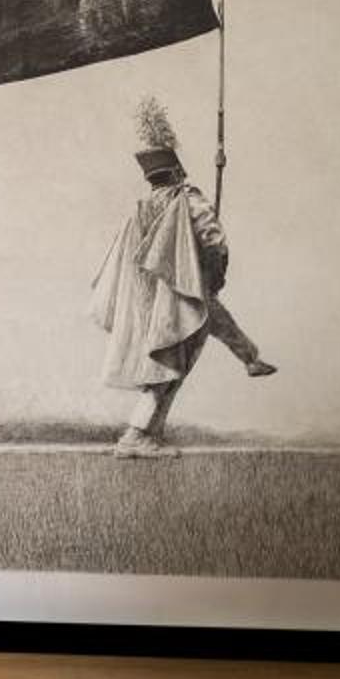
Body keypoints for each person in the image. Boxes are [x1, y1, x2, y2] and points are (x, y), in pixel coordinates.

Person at [88, 102, 274, 458]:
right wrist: (215, 273)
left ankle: (249, 359)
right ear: (176, 171)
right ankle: (135, 436)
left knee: (195, 343)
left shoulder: (141, 208)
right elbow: (215, 241)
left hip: (155, 299)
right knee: (169, 366)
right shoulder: (188, 198)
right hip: (183, 294)